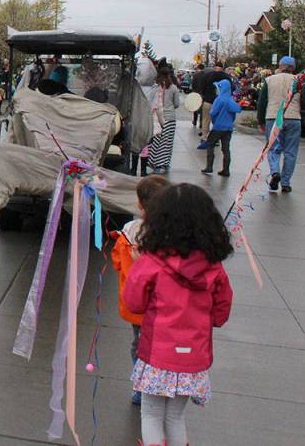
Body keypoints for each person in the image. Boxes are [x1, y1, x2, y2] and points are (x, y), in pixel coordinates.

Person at [124, 183, 234, 446]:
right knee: (175, 417)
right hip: (193, 358)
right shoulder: (214, 268)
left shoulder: (151, 262)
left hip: (157, 354)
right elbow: (221, 312)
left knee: (151, 413)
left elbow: (133, 303)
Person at [109, 175, 170, 406]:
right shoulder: (173, 236)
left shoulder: (129, 232)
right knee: (158, 344)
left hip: (136, 304)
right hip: (163, 307)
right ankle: (158, 384)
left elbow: (116, 262)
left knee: (139, 343)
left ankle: (140, 386)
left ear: (140, 204)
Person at [258, 56, 305, 194]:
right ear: (293, 68)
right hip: (293, 118)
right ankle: (286, 183)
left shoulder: (269, 80)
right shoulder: (299, 81)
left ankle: (275, 172)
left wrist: (261, 120)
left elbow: (262, 102)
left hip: (273, 117)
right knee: (290, 151)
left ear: (280, 65)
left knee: (273, 148)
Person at [201, 79, 241, 177]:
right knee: (226, 149)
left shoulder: (219, 99)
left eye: (217, 88)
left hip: (218, 127)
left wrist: (214, 121)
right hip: (228, 128)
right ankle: (226, 170)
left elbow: (213, 113)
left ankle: (209, 167)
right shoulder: (231, 100)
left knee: (210, 144)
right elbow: (236, 110)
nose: (216, 90)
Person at [147, 64, 180, 174]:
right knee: (167, 142)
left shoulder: (155, 87)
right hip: (170, 118)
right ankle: (164, 163)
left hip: (157, 117)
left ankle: (152, 161)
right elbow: (176, 104)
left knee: (156, 140)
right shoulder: (174, 88)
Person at [198, 62, 231, 143]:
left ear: (214, 67)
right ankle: (215, 138)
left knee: (206, 119)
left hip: (208, 101)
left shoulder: (207, 76)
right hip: (221, 104)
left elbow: (202, 88)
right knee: (218, 121)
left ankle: (204, 137)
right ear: (222, 68)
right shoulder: (226, 77)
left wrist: (204, 96)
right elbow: (231, 89)